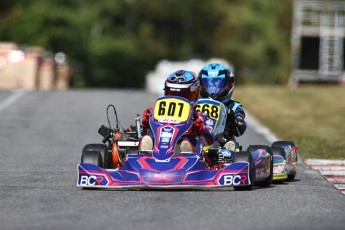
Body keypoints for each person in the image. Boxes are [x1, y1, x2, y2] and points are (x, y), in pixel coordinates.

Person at [140, 70, 214, 153]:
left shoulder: (201, 116)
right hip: (160, 146)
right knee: (150, 136)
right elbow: (143, 133)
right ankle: (145, 152)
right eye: (172, 94)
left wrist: (200, 127)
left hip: (188, 147)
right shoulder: (158, 112)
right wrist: (147, 122)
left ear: (195, 93)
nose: (177, 100)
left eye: (183, 95)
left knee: (190, 142)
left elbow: (209, 141)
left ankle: (188, 152)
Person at [198, 63, 246, 151]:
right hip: (198, 141)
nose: (213, 91)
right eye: (209, 85)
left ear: (229, 85)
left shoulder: (234, 107)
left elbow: (240, 129)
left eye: (218, 86)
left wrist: (232, 118)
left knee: (232, 146)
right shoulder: (195, 105)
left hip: (223, 145)